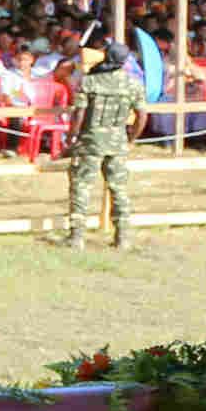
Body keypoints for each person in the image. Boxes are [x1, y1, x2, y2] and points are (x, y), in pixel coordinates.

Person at [67, 35, 143, 250]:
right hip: (118, 143)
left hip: (91, 141)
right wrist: (132, 139)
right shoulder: (133, 83)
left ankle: (77, 236)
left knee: (82, 186)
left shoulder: (90, 80)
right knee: (119, 189)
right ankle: (123, 236)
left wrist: (72, 138)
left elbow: (79, 114)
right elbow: (142, 115)